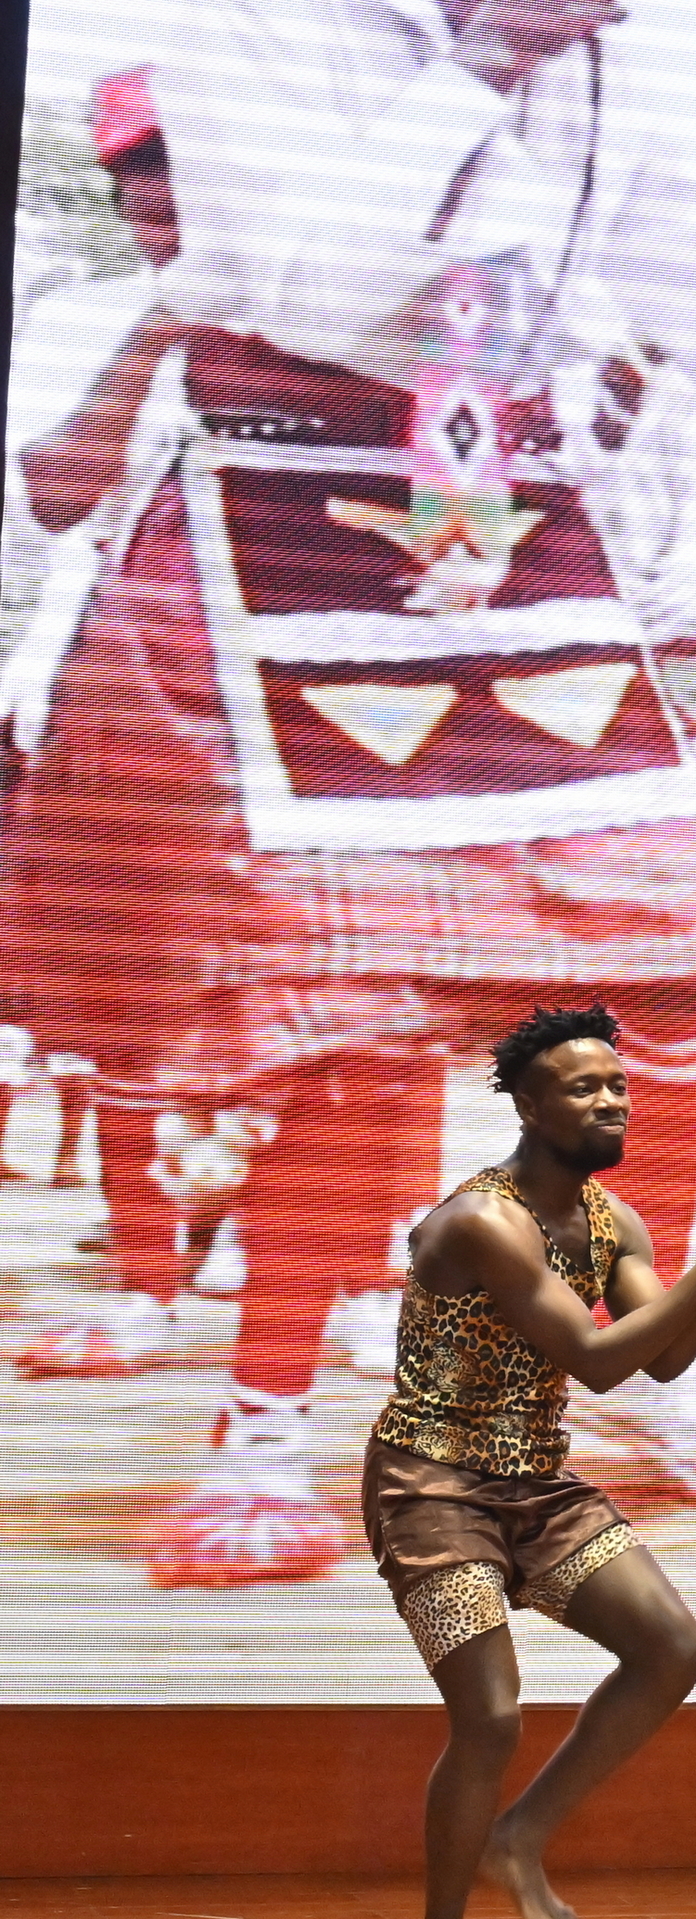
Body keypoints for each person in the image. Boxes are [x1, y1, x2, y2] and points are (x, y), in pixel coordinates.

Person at [1, 0, 696, 1584]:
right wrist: (487, 64)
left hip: (521, 513)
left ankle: (639, 1360)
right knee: (360, 1019)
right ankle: (265, 1427)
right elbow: (319, 283)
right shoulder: (244, 30)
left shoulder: (616, 71)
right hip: (280, 505)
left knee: (692, 987)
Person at [370, 1004, 696, 1919]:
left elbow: (666, 1357)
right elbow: (598, 1364)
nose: (610, 1100)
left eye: (618, 1085)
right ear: (525, 1101)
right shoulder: (480, 1221)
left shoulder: (613, 1222)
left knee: (673, 1645)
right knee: (492, 1714)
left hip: (537, 1489)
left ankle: (522, 1834)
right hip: (431, 1490)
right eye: (584, 1086)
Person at [6, 66, 195, 1380]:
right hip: (124, 677)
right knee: (127, 997)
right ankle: (147, 1276)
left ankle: (354, 1272)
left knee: (353, 988)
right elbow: (62, 497)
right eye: (146, 174)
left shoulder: (362, 316)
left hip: (310, 686)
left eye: (194, 168)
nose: (170, 198)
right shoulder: (81, 318)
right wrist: (167, 328)